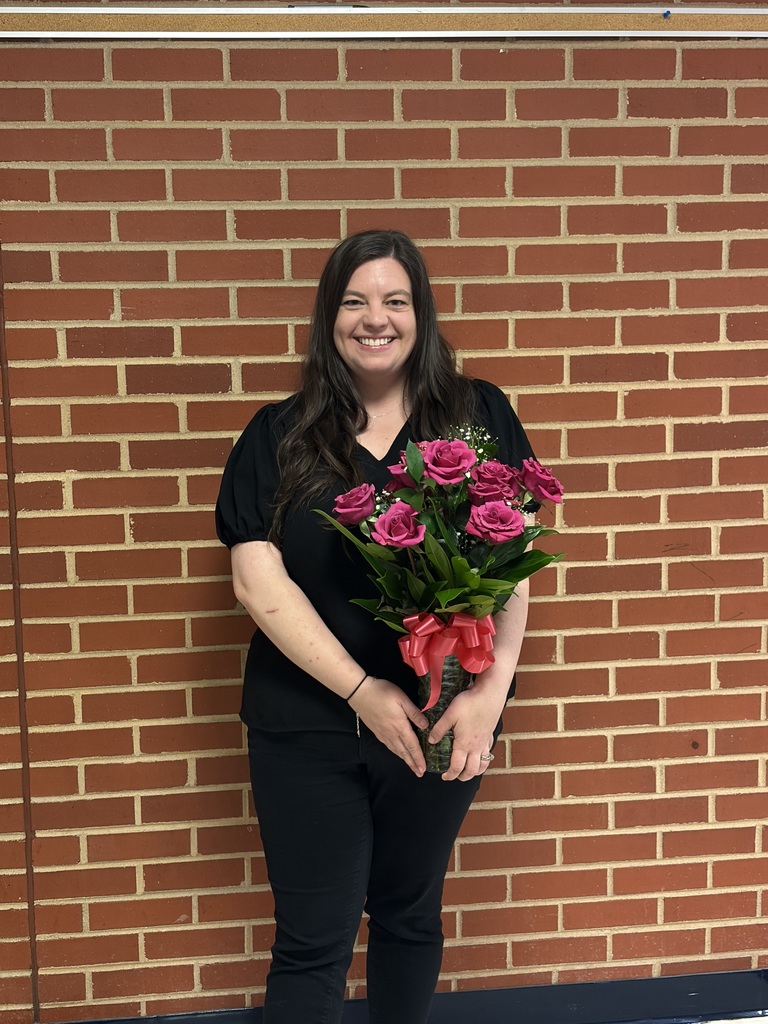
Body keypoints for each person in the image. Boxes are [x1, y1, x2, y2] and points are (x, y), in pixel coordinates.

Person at [215, 230, 536, 1024]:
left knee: (408, 913)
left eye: (395, 300)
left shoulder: (475, 416)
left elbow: (514, 559)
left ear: (421, 314)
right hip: (307, 725)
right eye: (355, 301)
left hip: (441, 716)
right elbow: (258, 583)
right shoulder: (278, 435)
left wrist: (489, 698)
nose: (375, 319)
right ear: (330, 317)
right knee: (312, 939)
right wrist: (362, 691)